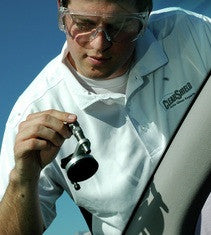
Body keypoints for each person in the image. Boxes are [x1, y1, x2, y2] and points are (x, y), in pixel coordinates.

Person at [0, 0, 210, 234]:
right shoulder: (32, 110)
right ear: (61, 9)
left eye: (119, 26)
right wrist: (23, 179)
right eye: (83, 23)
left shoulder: (192, 33)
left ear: (145, 13)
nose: (99, 44)